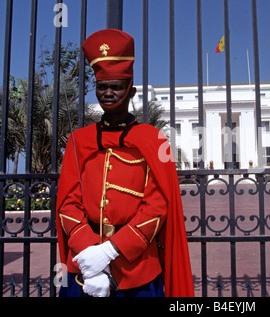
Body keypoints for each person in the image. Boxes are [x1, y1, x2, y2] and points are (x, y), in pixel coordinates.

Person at [56, 29, 194, 297]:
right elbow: (67, 203)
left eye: (116, 86)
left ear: (131, 91)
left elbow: (157, 205)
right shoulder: (78, 140)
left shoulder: (152, 139)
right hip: (84, 265)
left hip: (135, 269)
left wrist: (109, 252)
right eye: (102, 86)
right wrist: (92, 259)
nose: (108, 93)